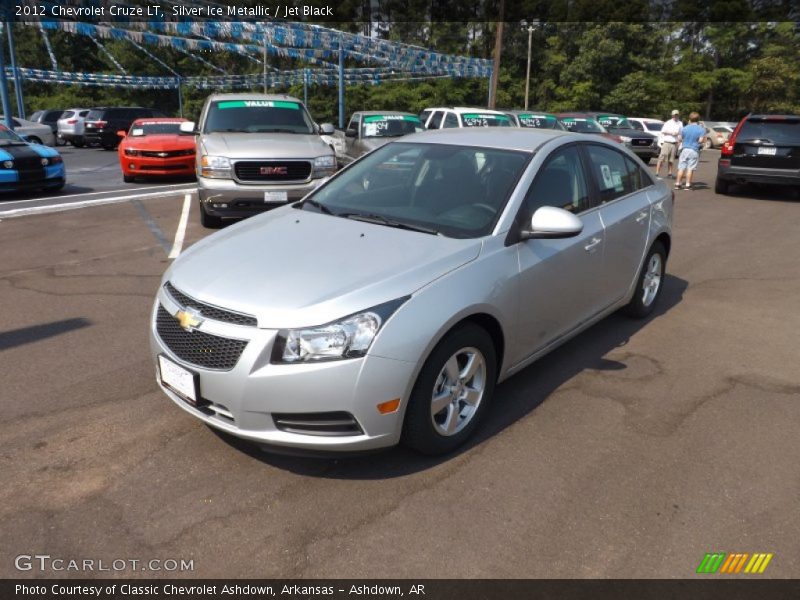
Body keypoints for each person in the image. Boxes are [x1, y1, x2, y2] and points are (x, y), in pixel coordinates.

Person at [674, 112, 706, 190]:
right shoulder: (701, 129)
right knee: (690, 168)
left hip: (685, 149)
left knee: (681, 167)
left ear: (689, 119)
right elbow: (700, 140)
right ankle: (688, 185)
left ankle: (677, 184)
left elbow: (680, 139)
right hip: (694, 149)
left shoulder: (684, 128)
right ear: (698, 120)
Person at [656, 109, 683, 178]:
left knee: (671, 159)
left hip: (675, 143)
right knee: (661, 158)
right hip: (667, 142)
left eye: (676, 115)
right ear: (672, 115)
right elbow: (663, 131)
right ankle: (657, 172)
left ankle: (670, 173)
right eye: (674, 115)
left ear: (678, 115)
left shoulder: (680, 123)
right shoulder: (668, 122)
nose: (675, 116)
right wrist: (671, 133)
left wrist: (679, 140)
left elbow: (681, 133)